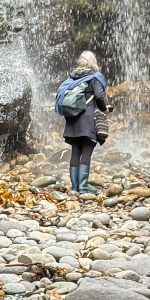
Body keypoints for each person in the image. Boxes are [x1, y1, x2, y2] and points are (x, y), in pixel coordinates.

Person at [55, 50, 108, 194]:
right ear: (93, 62)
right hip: (88, 118)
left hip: (73, 118)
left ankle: (75, 186)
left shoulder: (72, 78)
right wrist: (104, 109)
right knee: (87, 150)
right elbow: (99, 95)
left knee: (75, 151)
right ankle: (83, 186)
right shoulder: (95, 77)